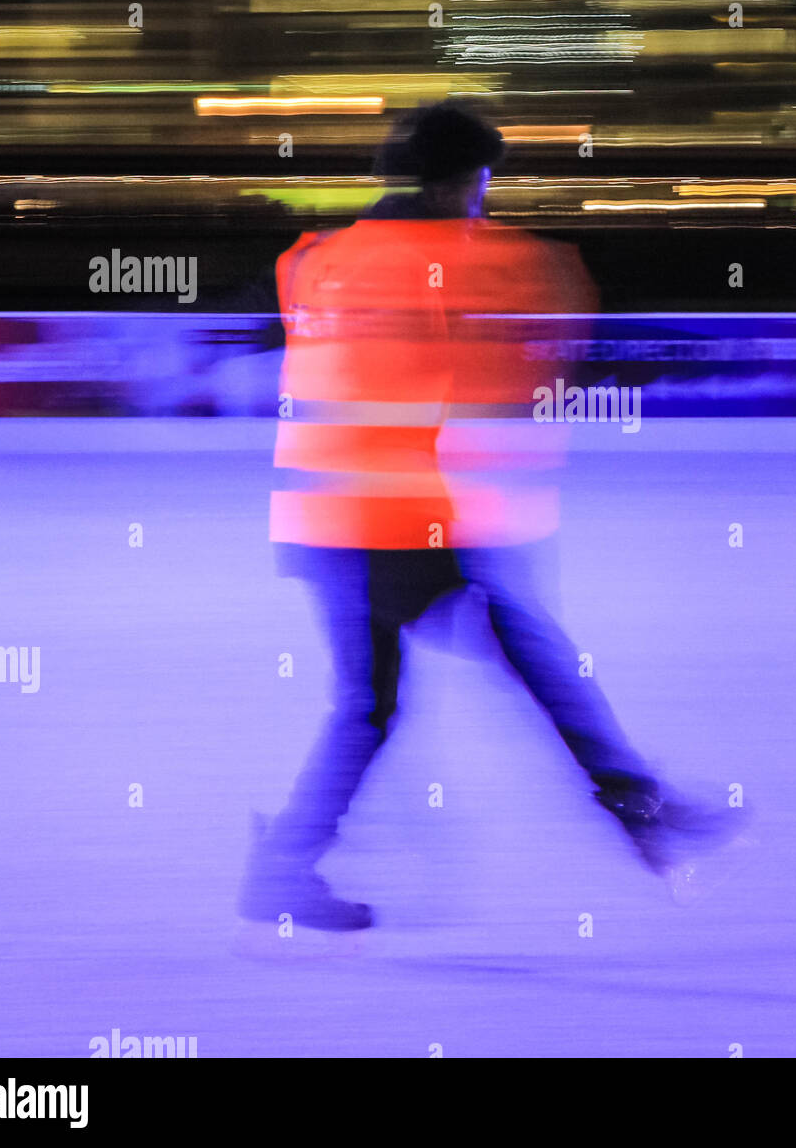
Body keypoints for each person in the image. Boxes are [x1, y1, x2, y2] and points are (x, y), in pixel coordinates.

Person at [238, 104, 740, 935]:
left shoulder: (325, 257)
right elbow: (517, 372)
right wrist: (629, 364)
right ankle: (640, 811)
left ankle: (287, 864)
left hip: (325, 513)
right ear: (455, 180)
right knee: (521, 658)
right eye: (481, 182)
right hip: (396, 518)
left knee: (383, 701)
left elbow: (306, 323)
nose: (484, 198)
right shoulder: (451, 260)